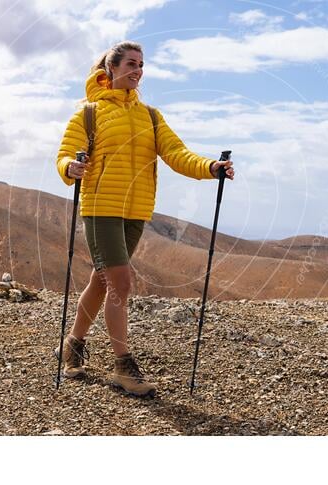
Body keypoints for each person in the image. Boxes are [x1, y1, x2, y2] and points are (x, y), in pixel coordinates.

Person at [55, 41, 235, 396]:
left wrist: (210, 168)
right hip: (101, 208)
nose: (137, 70)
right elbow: (64, 156)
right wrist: (70, 167)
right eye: (131, 64)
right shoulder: (88, 114)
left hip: (136, 212)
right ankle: (124, 366)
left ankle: (73, 345)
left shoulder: (150, 116)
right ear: (111, 70)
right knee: (120, 283)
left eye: (141, 64)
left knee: (102, 282)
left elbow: (176, 153)